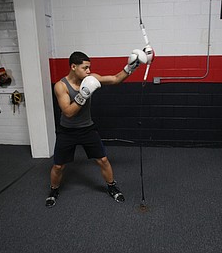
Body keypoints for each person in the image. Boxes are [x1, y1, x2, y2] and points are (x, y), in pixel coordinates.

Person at [46, 49, 147, 207]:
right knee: (59, 166)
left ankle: (112, 186)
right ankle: (54, 190)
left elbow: (115, 79)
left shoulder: (90, 78)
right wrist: (83, 94)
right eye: (85, 67)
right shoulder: (61, 86)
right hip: (67, 131)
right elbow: (68, 113)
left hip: (87, 128)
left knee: (103, 160)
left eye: (89, 67)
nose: (88, 71)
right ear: (73, 67)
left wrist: (134, 65)